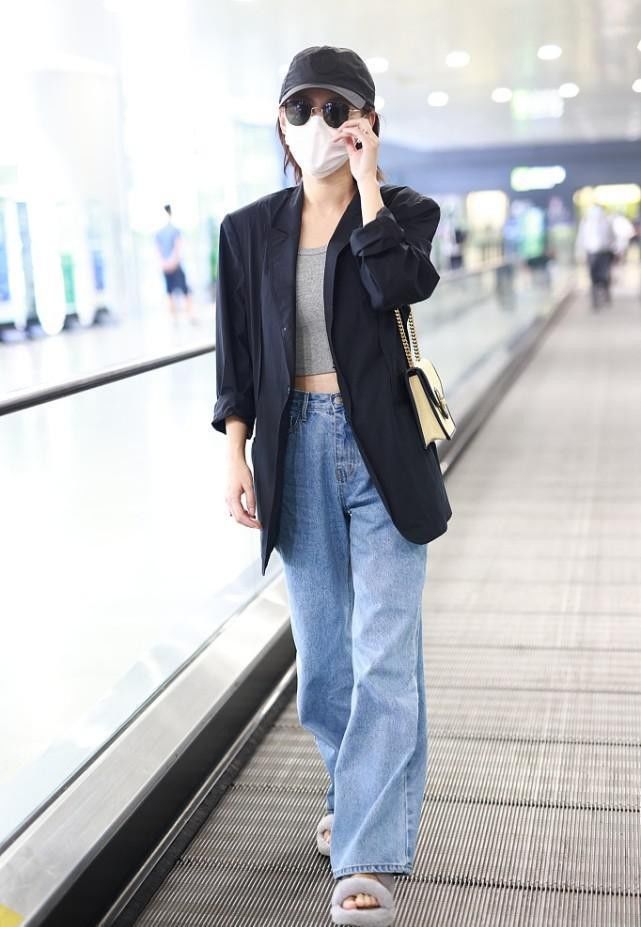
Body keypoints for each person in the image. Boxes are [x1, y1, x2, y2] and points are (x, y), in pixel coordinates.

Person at [211, 45, 452, 927]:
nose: (317, 123)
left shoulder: (407, 212)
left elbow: (397, 284)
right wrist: (235, 453)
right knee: (323, 663)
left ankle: (365, 853)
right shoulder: (247, 230)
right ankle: (354, 799)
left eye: (336, 108)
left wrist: (369, 186)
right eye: (300, 109)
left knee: (384, 653)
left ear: (367, 121)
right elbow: (237, 357)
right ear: (279, 124)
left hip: (383, 446)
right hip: (296, 449)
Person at [154, 204, 196, 321]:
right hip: (172, 265)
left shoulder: (172, 231)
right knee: (173, 292)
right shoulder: (165, 232)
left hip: (171, 265)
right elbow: (164, 249)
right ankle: (179, 318)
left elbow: (176, 248)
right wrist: (170, 262)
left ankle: (185, 317)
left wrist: (166, 263)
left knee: (180, 291)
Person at [575, 204, 616, 309]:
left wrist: (613, 248)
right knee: (594, 276)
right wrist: (580, 252)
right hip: (592, 252)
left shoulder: (606, 222)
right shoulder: (586, 223)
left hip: (604, 252)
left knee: (604, 275)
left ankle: (604, 292)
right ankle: (595, 297)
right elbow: (581, 239)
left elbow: (611, 237)